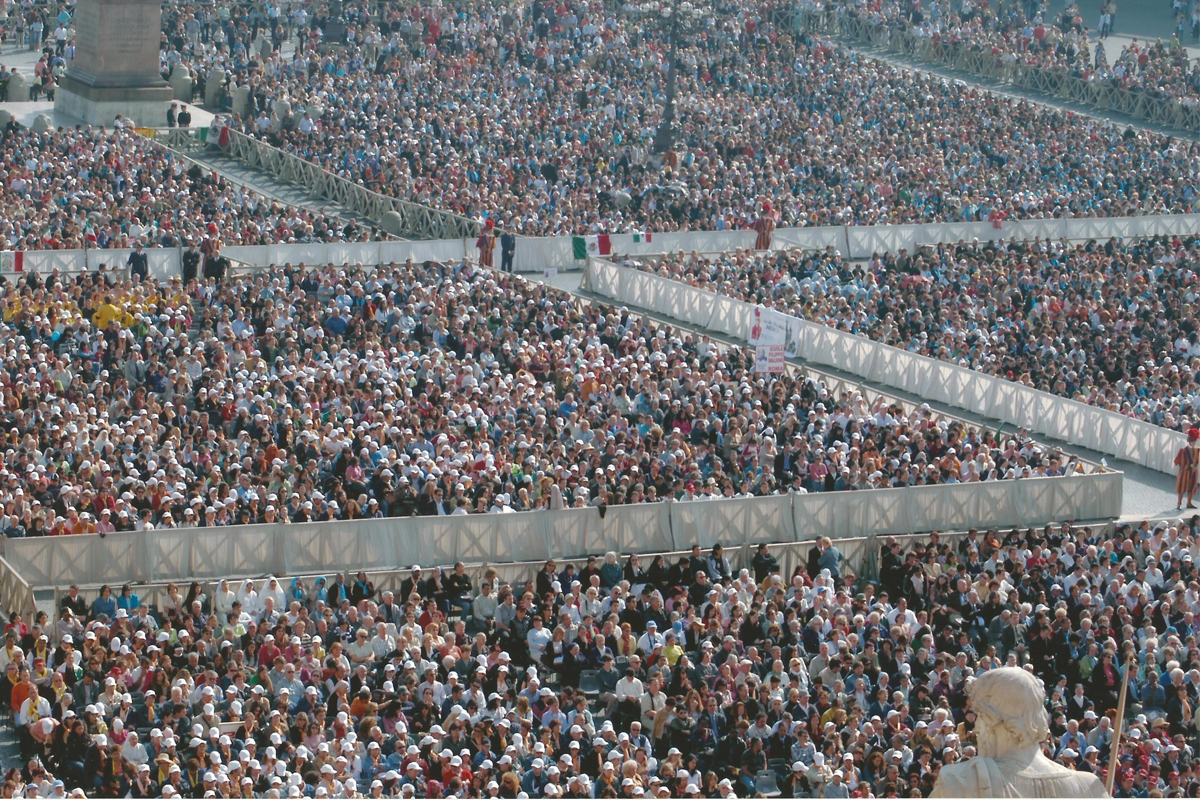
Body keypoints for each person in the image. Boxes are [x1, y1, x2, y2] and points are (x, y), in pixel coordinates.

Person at [1176, 427, 1200, 509]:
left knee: (1192, 486)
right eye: (1193, 441)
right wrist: (1187, 467)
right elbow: (1182, 462)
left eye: (1194, 441)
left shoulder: (1197, 450)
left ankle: (1189, 503)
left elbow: (1197, 460)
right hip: (1185, 470)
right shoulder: (1184, 450)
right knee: (1182, 486)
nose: (1194, 442)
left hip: (1194, 470)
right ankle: (1179, 503)